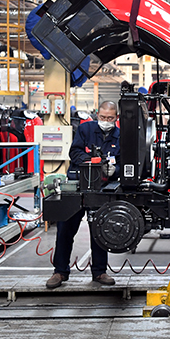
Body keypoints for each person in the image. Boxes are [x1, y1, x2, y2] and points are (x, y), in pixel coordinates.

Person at [45, 101, 120, 289]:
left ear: (116, 118)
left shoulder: (121, 137)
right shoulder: (85, 129)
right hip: (79, 185)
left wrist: (114, 169)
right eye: (103, 117)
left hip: (102, 189)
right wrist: (92, 162)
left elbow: (125, 161)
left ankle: (99, 272)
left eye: (110, 118)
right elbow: (75, 152)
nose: (106, 121)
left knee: (100, 231)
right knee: (65, 230)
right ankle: (60, 271)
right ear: (97, 115)